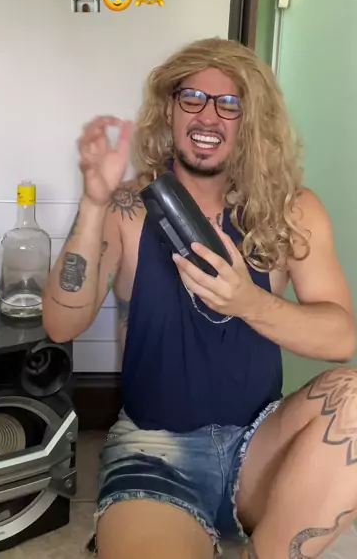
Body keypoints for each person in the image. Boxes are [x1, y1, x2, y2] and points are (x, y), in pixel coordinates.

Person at [42, 37, 357, 559]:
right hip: (153, 449)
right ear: (169, 109)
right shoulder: (126, 209)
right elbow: (60, 325)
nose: (208, 115)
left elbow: (341, 337)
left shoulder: (291, 211)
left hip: (260, 443)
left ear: (249, 120)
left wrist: (249, 302)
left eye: (229, 103)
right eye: (192, 97)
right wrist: (94, 203)